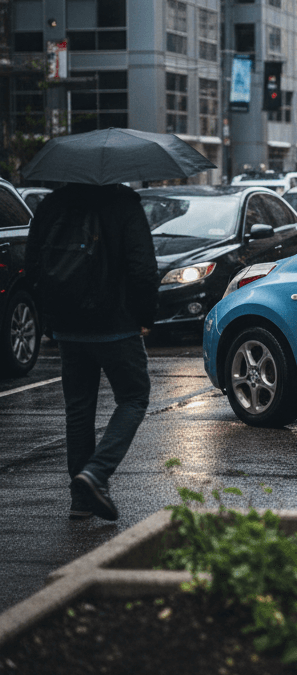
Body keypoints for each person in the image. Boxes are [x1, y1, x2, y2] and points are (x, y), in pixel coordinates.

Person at [26, 183, 158, 521]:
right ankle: (96, 473)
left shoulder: (52, 204)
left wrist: (49, 319)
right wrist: (145, 316)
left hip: (68, 325)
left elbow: (33, 265)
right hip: (116, 323)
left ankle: (81, 500)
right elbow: (143, 267)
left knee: (79, 409)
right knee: (134, 397)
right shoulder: (124, 203)